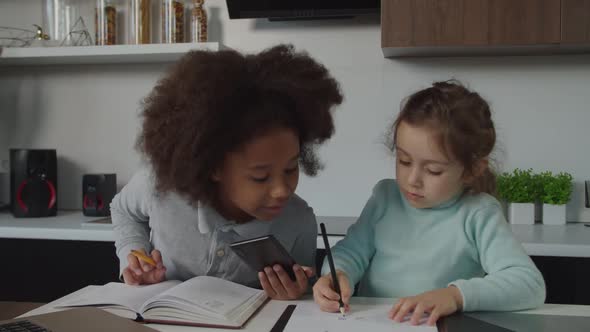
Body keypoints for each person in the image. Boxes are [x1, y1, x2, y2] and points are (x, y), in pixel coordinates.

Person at [111, 44, 343, 300]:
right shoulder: (160, 187)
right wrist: (133, 256)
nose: (282, 190)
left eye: (290, 168)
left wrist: (298, 294)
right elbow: (123, 210)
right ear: (213, 167)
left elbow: (304, 296)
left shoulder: (298, 222)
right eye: (260, 177)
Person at [313, 80, 545, 324]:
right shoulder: (385, 198)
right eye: (403, 161)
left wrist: (455, 296)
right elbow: (350, 252)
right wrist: (337, 274)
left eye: (433, 170)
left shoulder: (478, 213)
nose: (412, 180)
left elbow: (528, 283)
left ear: (472, 170)